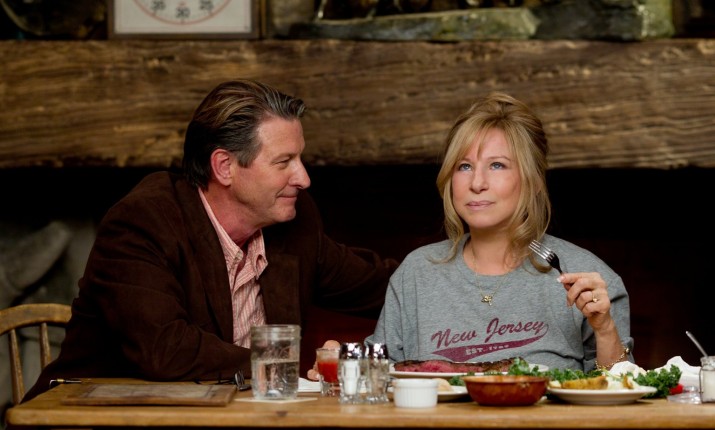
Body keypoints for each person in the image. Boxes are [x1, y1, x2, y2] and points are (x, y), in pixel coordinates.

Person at [24, 79, 398, 402]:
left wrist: (445, 263)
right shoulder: (144, 221)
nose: (303, 178)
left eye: (299, 159)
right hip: (89, 415)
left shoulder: (294, 221)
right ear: (224, 167)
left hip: (219, 416)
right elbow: (164, 348)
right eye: (283, 162)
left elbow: (383, 285)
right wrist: (280, 370)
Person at [366, 92, 632, 372]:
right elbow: (377, 379)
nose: (477, 183)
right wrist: (342, 359)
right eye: (464, 166)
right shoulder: (416, 273)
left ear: (534, 180)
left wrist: (605, 329)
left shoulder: (587, 277)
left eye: (497, 165)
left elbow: (622, 387)